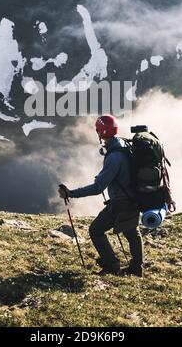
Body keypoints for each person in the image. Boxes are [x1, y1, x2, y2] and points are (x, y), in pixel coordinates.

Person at [58, 114, 144, 277]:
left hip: (120, 203)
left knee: (96, 230)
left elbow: (98, 188)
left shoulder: (114, 157)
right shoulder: (124, 144)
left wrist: (71, 193)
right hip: (134, 198)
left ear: (101, 132)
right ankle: (136, 268)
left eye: (97, 130)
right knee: (132, 232)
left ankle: (112, 265)